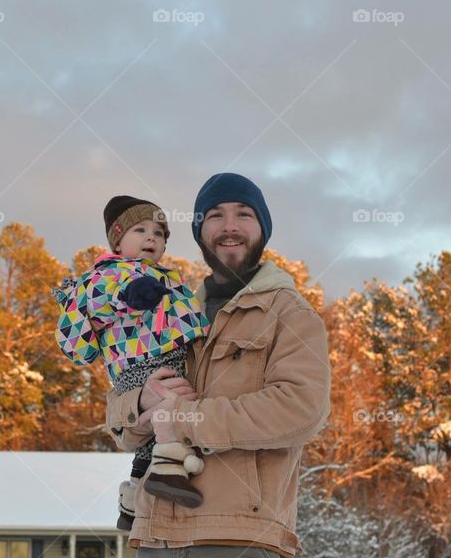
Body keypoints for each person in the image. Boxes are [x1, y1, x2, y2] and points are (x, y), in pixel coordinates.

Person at [106, 173, 331, 558]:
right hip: (153, 536)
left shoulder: (289, 314)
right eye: (215, 216)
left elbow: (301, 409)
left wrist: (185, 418)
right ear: (199, 232)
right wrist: (140, 402)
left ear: (263, 229)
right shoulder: (171, 311)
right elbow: (119, 422)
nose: (229, 226)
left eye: (244, 214)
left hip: (237, 539)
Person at [54, 196, 210, 531]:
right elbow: (93, 307)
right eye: (141, 230)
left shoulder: (169, 278)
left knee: (155, 431)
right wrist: (128, 295)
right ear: (118, 239)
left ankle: (133, 498)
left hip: (167, 356)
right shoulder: (108, 275)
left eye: (159, 232)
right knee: (171, 410)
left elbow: (190, 317)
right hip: (138, 362)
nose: (152, 237)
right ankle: (168, 472)